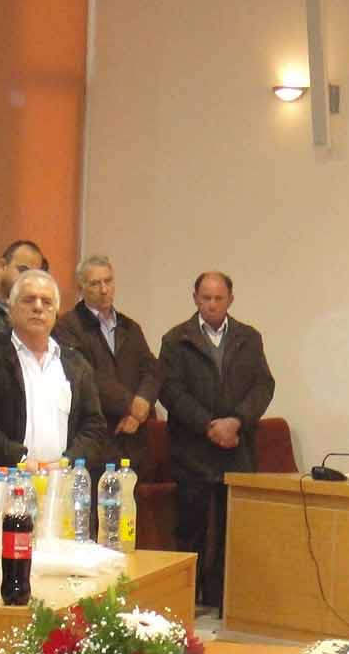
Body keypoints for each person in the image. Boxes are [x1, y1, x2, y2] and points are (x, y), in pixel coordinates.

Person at [158, 270, 275, 609]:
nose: (211, 304)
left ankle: (223, 600)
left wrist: (236, 421)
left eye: (218, 298)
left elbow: (263, 385)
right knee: (190, 531)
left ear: (230, 300)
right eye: (205, 298)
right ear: (195, 298)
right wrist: (209, 426)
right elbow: (170, 390)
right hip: (192, 450)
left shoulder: (248, 338)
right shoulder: (176, 339)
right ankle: (184, 600)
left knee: (232, 531)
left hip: (237, 449)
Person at [0, 268, 106, 474]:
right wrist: (18, 460)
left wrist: (68, 462)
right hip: (3, 479)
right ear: (10, 307)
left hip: (61, 480)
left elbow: (94, 425)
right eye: (28, 300)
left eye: (46, 302)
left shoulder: (76, 364)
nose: (38, 307)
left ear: (56, 312)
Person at [56, 252, 162, 471]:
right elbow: (86, 375)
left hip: (133, 440)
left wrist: (142, 403)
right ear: (81, 288)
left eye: (108, 281)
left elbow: (151, 369)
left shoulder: (129, 327)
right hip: (93, 439)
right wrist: (130, 404)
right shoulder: (67, 327)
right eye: (95, 283)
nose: (104, 289)